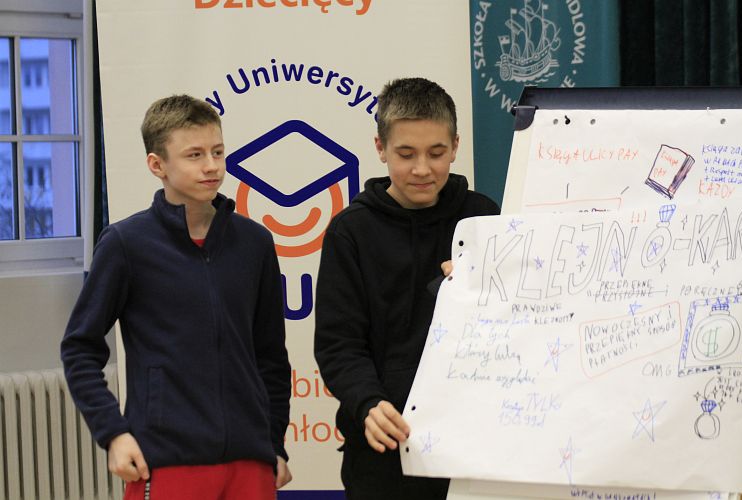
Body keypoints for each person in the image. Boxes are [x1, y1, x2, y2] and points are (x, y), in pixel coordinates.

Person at [61, 95, 292, 499]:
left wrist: (274, 443)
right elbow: (80, 348)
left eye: (218, 152)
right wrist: (113, 433)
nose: (212, 166)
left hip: (250, 461)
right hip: (166, 461)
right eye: (194, 155)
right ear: (158, 165)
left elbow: (270, 356)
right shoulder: (125, 244)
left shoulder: (254, 243)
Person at [314, 77, 501, 499]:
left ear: (455, 146)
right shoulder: (351, 232)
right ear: (380, 148)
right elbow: (338, 344)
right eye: (405, 154)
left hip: (475, 445)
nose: (421, 169)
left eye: (436, 153)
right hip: (385, 453)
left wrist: (477, 293)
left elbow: (519, 325)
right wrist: (368, 402)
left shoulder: (484, 218)